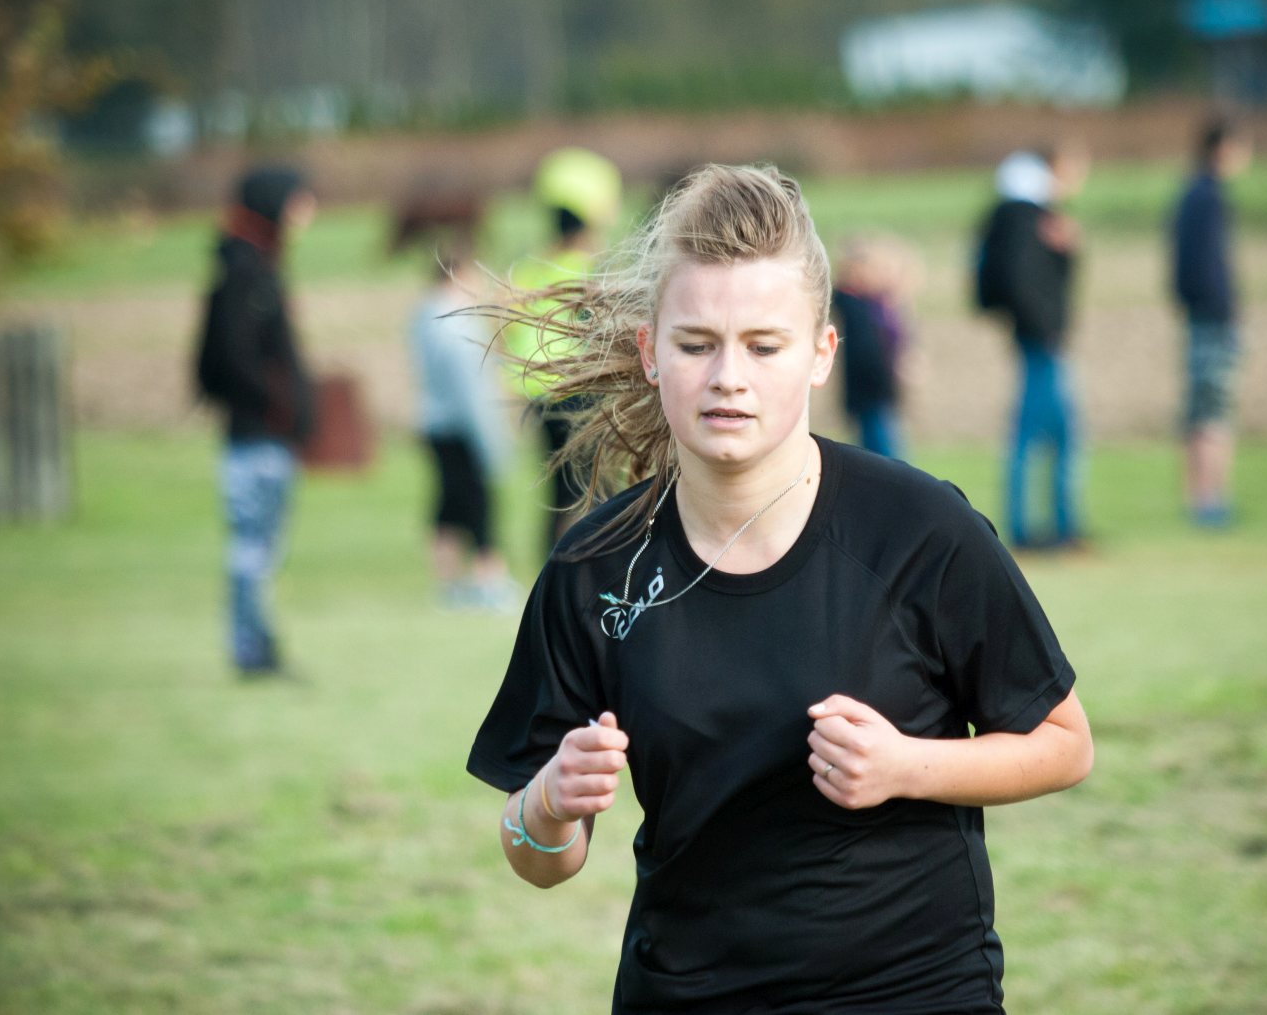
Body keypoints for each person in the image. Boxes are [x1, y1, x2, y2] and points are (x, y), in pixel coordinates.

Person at [468, 164, 1093, 1012]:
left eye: (764, 346)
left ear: (821, 353)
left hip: (916, 992)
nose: (729, 376)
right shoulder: (595, 567)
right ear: (651, 351)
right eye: (696, 344)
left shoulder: (922, 530)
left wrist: (906, 764)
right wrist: (547, 804)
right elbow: (540, 857)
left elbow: (1065, 743)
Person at [193, 166, 317, 678]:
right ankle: (251, 650)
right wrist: (281, 404)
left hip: (265, 437)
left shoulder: (253, 264)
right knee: (252, 549)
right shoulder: (246, 273)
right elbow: (230, 358)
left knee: (263, 549)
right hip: (256, 438)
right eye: (298, 201)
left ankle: (258, 644)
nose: (307, 212)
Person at [395, 200, 518, 611]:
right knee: (478, 500)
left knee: (447, 501)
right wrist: (491, 438)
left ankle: (448, 581)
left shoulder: (423, 316)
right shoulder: (455, 322)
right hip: (462, 423)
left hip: (434, 421)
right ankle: (488, 578)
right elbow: (470, 385)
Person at [974, 145, 1090, 550]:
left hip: (1036, 338)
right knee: (1056, 433)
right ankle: (1051, 527)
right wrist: (1046, 329)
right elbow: (1030, 282)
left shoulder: (1019, 213)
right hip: (1042, 341)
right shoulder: (1029, 216)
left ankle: (1040, 526)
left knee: (1039, 433)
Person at [510, 147, 622, 550]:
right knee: (601, 485)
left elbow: (512, 330)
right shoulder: (588, 269)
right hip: (579, 388)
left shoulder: (531, 268)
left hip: (538, 392)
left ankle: (552, 565)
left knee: (560, 491)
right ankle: (615, 559)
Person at [1170, 117, 1252, 528]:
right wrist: (1226, 310)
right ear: (1223, 148)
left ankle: (1199, 499)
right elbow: (1208, 266)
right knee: (1214, 412)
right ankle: (1210, 501)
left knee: (1201, 410)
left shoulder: (1190, 194)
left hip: (1197, 316)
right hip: (1213, 320)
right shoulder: (1210, 198)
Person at [832, 235, 918, 459]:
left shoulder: (873, 304)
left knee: (885, 452)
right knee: (883, 456)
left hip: (879, 392)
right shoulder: (852, 305)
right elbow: (866, 353)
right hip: (871, 392)